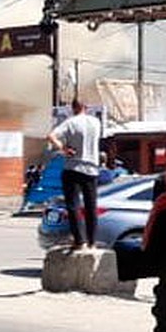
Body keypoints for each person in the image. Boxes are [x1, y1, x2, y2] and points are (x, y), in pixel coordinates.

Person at [46, 100, 102, 250]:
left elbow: (51, 136)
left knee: (73, 206)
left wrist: (64, 149)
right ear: (86, 107)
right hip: (92, 169)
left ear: (73, 108)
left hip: (73, 167)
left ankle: (80, 241)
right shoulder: (96, 122)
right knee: (91, 206)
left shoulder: (70, 122)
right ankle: (92, 241)